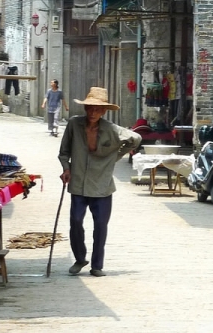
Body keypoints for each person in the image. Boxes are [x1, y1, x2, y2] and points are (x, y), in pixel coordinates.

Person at [58, 86, 141, 277]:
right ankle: (80, 258)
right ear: (85, 108)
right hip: (78, 183)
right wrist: (66, 168)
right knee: (76, 221)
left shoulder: (111, 129)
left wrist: (113, 156)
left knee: (100, 226)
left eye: (98, 109)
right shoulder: (74, 124)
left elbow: (135, 138)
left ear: (104, 111)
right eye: (90, 108)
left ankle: (97, 265)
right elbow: (64, 153)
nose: (93, 112)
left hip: (102, 186)